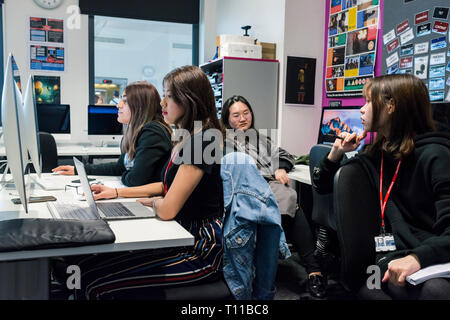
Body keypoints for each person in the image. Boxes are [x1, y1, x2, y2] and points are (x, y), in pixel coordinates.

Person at [60, 66, 225, 300]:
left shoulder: (203, 141)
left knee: (96, 285)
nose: (162, 103)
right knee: (84, 266)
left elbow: (167, 209)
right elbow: (166, 186)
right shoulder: (184, 137)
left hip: (200, 248)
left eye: (168, 95)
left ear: (189, 100)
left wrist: (155, 203)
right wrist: (117, 193)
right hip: (179, 234)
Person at [313, 74, 450, 299]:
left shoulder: (436, 156)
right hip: (392, 256)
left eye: (368, 101)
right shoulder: (378, 154)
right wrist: (336, 154)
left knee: (435, 290)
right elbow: (323, 186)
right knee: (369, 290)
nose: (361, 109)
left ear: (391, 106)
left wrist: (417, 258)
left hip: (431, 257)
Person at [220, 95, 327, 298]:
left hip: (269, 184)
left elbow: (285, 155)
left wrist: (280, 168)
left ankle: (314, 270)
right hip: (245, 190)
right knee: (291, 204)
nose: (242, 118)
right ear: (227, 119)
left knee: (291, 200)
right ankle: (312, 269)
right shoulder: (224, 142)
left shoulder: (260, 138)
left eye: (246, 113)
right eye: (236, 115)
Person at [52, 81, 172, 187]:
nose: (118, 105)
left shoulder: (152, 132)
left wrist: (125, 174)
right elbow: (119, 167)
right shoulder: (134, 133)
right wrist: (79, 170)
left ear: (140, 106)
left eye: (125, 101)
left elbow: (136, 180)